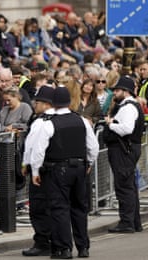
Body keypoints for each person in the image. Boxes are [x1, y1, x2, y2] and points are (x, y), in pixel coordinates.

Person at [28, 87, 98, 259]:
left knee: (60, 209)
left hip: (58, 170)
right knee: (79, 209)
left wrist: (35, 171)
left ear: (53, 103)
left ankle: (63, 249)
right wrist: (89, 162)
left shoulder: (48, 123)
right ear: (68, 101)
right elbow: (93, 146)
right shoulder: (81, 120)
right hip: (80, 168)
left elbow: (38, 151)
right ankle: (83, 248)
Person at [103, 75, 144, 233]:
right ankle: (134, 221)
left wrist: (111, 124)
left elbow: (127, 129)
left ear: (126, 91)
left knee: (124, 187)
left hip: (124, 149)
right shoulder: (128, 106)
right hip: (126, 149)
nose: (115, 93)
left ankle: (127, 222)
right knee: (129, 186)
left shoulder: (128, 107)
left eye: (117, 90)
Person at [20, 86, 55, 257]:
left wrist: (28, 166)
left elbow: (32, 147)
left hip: (41, 169)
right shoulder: (65, 118)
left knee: (39, 208)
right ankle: (54, 240)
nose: (35, 104)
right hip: (56, 170)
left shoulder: (40, 121)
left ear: (47, 104)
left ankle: (42, 242)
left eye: (38, 101)